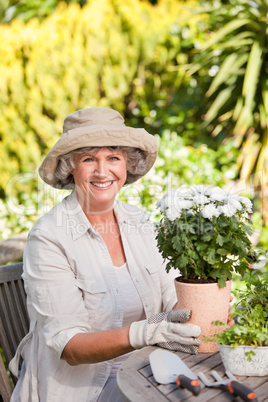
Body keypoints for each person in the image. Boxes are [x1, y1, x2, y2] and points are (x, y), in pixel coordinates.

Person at [9, 107, 202, 402]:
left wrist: (205, 304)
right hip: (84, 390)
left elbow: (172, 296)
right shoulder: (49, 237)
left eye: (113, 157)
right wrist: (144, 333)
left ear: (127, 165)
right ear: (70, 167)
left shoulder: (140, 223)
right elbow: (70, 347)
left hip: (150, 372)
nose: (102, 171)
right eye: (89, 159)